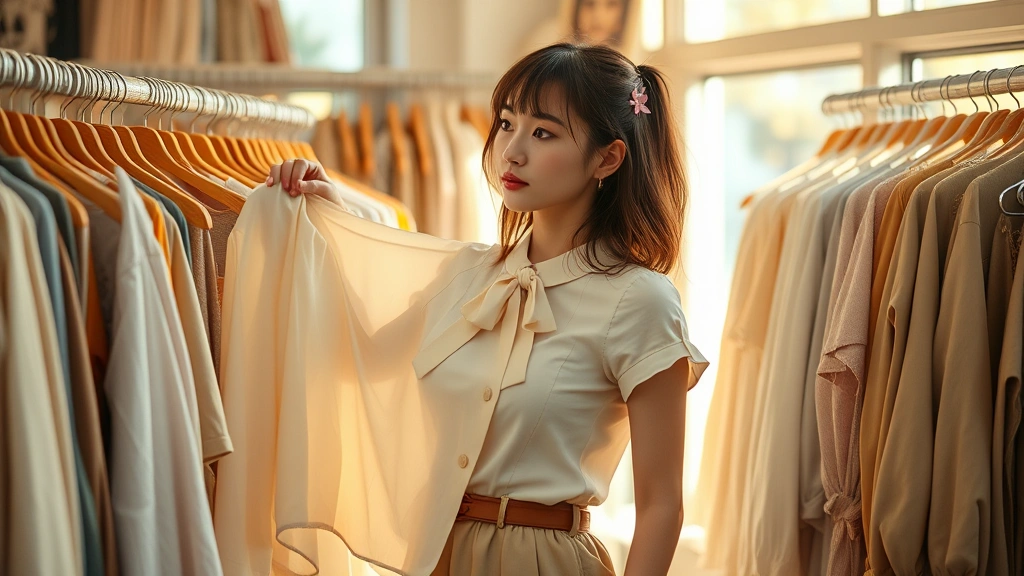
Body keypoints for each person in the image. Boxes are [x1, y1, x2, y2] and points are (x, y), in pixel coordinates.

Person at [262, 42, 708, 576]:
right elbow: (358, 358)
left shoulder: (640, 299)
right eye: (505, 123)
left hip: (543, 560)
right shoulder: (465, 275)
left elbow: (663, 506)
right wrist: (327, 223)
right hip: (439, 554)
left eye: (543, 133)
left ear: (607, 158)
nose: (510, 152)